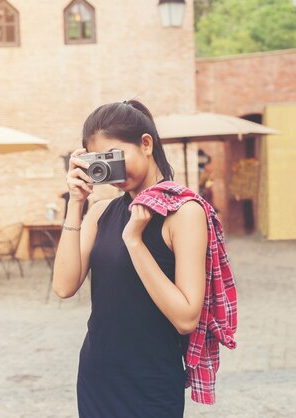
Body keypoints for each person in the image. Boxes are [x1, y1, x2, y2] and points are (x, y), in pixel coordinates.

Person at [53, 100, 217, 417]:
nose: (112, 167)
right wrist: (76, 202)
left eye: (116, 155)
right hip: (97, 377)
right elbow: (63, 286)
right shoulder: (100, 212)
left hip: (151, 382)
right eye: (101, 159)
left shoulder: (184, 213)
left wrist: (134, 241)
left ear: (146, 143)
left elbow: (186, 319)